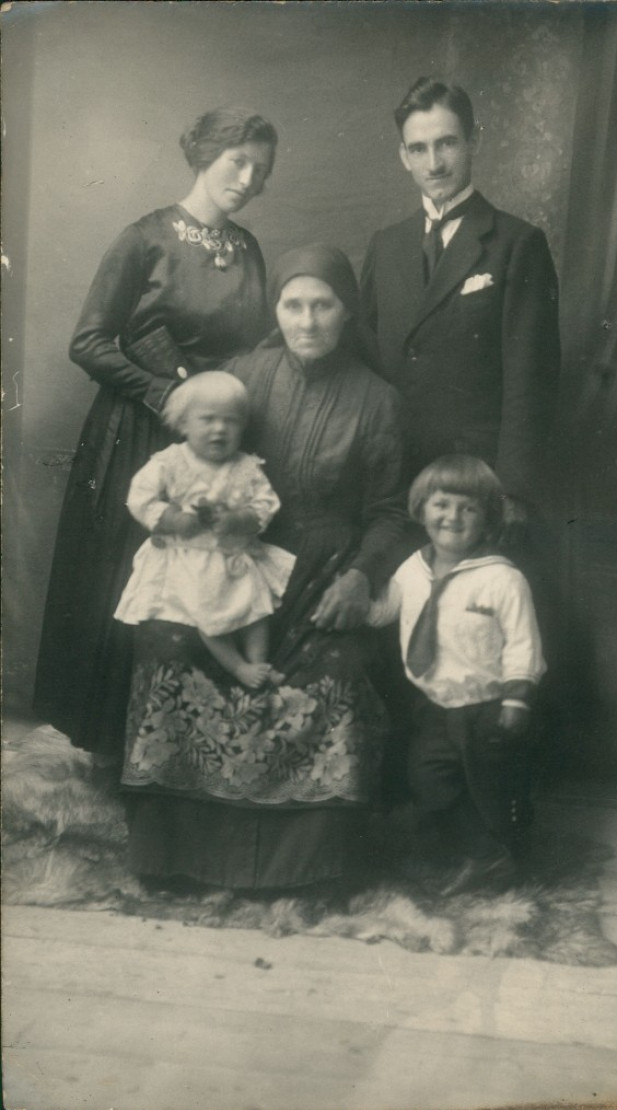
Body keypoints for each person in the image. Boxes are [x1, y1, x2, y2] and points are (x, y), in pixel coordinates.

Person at [120, 245, 408, 892]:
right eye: (292, 304)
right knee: (164, 638)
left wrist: (360, 576)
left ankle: (307, 867)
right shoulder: (243, 374)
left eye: (323, 305)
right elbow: (191, 447)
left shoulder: (379, 401)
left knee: (342, 666)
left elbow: (391, 512)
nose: (306, 321)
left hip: (327, 567)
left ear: (347, 311)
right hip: (232, 560)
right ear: (275, 308)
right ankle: (173, 856)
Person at [33, 106, 277, 767]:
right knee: (137, 582)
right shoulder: (144, 238)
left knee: (211, 576)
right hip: (141, 432)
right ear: (203, 155)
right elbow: (86, 340)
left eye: (260, 169)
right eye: (237, 161)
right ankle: (117, 749)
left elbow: (257, 345)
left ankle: (182, 756)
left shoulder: (249, 250)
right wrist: (164, 391)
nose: (248, 178)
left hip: (218, 437)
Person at [360, 76, 561, 535]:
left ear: (474, 141)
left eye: (446, 143)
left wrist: (512, 490)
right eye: (418, 148)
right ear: (403, 157)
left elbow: (532, 377)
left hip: (474, 479)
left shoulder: (517, 244)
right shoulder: (385, 246)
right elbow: (365, 354)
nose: (433, 163)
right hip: (393, 473)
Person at [368, 455, 546, 896]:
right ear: (421, 508)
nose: (452, 517)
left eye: (468, 508)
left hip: (487, 707)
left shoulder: (503, 579)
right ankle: (485, 858)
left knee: (488, 788)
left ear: (487, 518)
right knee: (428, 781)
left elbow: (524, 644)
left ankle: (502, 858)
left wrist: (516, 700)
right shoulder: (412, 568)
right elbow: (384, 611)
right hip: (433, 705)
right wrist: (355, 603)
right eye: (442, 504)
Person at [114, 371, 295, 689]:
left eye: (231, 421)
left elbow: (266, 504)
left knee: (257, 610)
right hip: (189, 559)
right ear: (183, 424)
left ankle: (260, 665)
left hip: (233, 558)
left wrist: (240, 519)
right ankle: (238, 667)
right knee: (208, 616)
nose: (220, 429)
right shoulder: (170, 463)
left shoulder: (245, 466)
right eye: (208, 419)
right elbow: (139, 498)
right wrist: (171, 519)